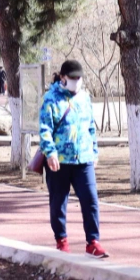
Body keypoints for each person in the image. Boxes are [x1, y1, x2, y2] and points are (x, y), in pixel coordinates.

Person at [39, 59, 108, 258]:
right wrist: (50, 153)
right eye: (72, 78)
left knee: (91, 200)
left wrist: (94, 151)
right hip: (59, 161)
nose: (76, 82)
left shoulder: (85, 97)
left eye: (79, 78)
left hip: (83, 159)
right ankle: (61, 240)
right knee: (58, 202)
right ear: (62, 78)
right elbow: (45, 129)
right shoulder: (51, 98)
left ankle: (93, 242)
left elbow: (90, 127)